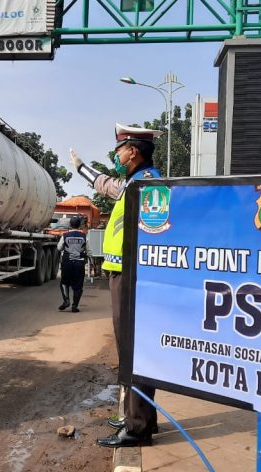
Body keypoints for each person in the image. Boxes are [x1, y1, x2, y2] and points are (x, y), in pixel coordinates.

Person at [70, 123, 162, 448]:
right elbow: (107, 185)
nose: (117, 154)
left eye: (120, 150)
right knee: (129, 350)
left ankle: (137, 429)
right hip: (125, 273)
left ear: (133, 151)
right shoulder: (136, 183)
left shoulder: (148, 186)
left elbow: (154, 232)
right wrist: (81, 168)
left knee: (134, 350)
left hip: (134, 276)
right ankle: (137, 416)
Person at [57, 215, 87, 312]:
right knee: (78, 285)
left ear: (70, 224)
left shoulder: (65, 235)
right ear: (80, 225)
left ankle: (66, 300)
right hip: (79, 264)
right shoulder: (84, 236)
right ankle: (75, 306)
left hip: (67, 263)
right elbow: (89, 251)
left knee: (64, 282)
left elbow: (59, 248)